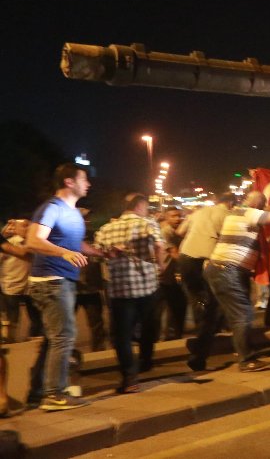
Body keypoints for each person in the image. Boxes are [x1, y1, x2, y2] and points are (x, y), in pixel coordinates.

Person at [199, 191, 270, 372]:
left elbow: (268, 209)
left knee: (215, 317)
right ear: (256, 205)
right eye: (262, 204)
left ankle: (197, 357)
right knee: (242, 315)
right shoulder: (249, 213)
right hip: (228, 271)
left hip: (218, 269)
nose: (264, 207)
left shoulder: (238, 212)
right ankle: (246, 360)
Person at [24, 163, 102, 411]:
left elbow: (75, 243)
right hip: (50, 282)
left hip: (62, 281)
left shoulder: (73, 212)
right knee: (63, 337)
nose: (88, 184)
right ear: (69, 182)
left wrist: (101, 253)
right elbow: (33, 240)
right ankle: (54, 394)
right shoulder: (52, 207)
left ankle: (39, 391)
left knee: (55, 339)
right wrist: (64, 253)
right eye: (83, 179)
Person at [95, 193, 164, 394]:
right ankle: (146, 361)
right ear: (140, 206)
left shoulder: (106, 228)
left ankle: (130, 378)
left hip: (120, 289)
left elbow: (98, 255)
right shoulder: (147, 223)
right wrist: (159, 265)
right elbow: (159, 245)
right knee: (149, 326)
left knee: (122, 335)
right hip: (147, 285)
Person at [176, 194, 234, 371]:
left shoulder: (199, 212)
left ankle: (202, 331)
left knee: (197, 299)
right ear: (230, 203)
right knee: (213, 306)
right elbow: (228, 239)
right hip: (206, 260)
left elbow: (179, 232)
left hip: (185, 257)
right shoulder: (226, 215)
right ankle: (199, 354)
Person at [0, 219, 42, 343]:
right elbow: (22, 252)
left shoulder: (35, 243)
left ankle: (33, 340)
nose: (28, 228)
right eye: (25, 226)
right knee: (12, 318)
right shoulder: (10, 244)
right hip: (12, 287)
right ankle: (10, 342)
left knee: (36, 317)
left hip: (30, 287)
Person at [155, 206, 186, 340]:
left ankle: (172, 334)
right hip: (163, 276)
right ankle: (167, 336)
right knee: (170, 307)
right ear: (166, 217)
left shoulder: (175, 231)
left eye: (179, 216)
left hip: (171, 276)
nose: (177, 219)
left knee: (175, 306)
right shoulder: (166, 232)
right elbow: (174, 253)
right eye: (173, 216)